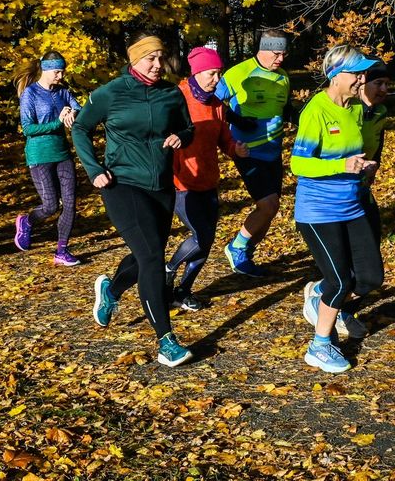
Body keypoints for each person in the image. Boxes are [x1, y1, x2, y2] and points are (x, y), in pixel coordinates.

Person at [73, 33, 195, 367]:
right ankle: (166, 341)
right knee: (153, 257)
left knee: (146, 255)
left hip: (160, 186)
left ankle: (111, 291)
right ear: (134, 60)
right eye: (150, 59)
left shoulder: (171, 93)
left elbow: (188, 129)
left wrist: (180, 137)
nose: (157, 65)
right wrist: (94, 168)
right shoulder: (111, 92)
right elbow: (80, 128)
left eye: (160, 58)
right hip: (121, 183)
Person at [292, 44, 382, 373]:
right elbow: (298, 164)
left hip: (351, 205)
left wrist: (363, 166)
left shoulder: (356, 108)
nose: (363, 79)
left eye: (363, 72)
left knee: (371, 276)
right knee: (341, 281)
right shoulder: (316, 110)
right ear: (335, 76)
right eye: (356, 73)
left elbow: (351, 153)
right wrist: (341, 165)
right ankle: (320, 346)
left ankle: (319, 292)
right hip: (317, 211)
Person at [166, 47, 249, 311]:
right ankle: (168, 270)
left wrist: (235, 148)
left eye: (219, 73)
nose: (217, 79)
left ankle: (183, 291)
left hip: (209, 181)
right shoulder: (176, 98)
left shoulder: (215, 105)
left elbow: (224, 138)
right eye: (212, 73)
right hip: (182, 182)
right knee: (200, 237)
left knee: (207, 243)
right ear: (197, 72)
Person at [216, 29, 293, 277]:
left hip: (274, 151)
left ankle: (246, 253)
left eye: (284, 54)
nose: (280, 59)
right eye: (276, 53)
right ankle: (236, 247)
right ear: (262, 48)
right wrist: (236, 119)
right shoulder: (237, 73)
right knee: (268, 204)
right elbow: (211, 102)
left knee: (271, 208)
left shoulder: (283, 77)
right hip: (247, 150)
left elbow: (285, 107)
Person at [13, 51, 82, 266]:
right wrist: (58, 123)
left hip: (62, 153)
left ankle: (62, 250)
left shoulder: (63, 91)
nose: (60, 76)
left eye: (62, 71)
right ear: (44, 69)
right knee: (51, 206)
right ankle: (27, 221)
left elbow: (78, 107)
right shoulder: (30, 94)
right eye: (56, 72)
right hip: (39, 155)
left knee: (70, 203)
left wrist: (73, 113)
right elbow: (28, 129)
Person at [358, 60, 390, 244]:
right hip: (340, 185)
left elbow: (379, 141)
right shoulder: (348, 110)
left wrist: (375, 164)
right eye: (378, 83)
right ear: (362, 83)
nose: (384, 89)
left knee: (372, 231)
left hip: (363, 182)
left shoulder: (380, 111)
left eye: (387, 84)